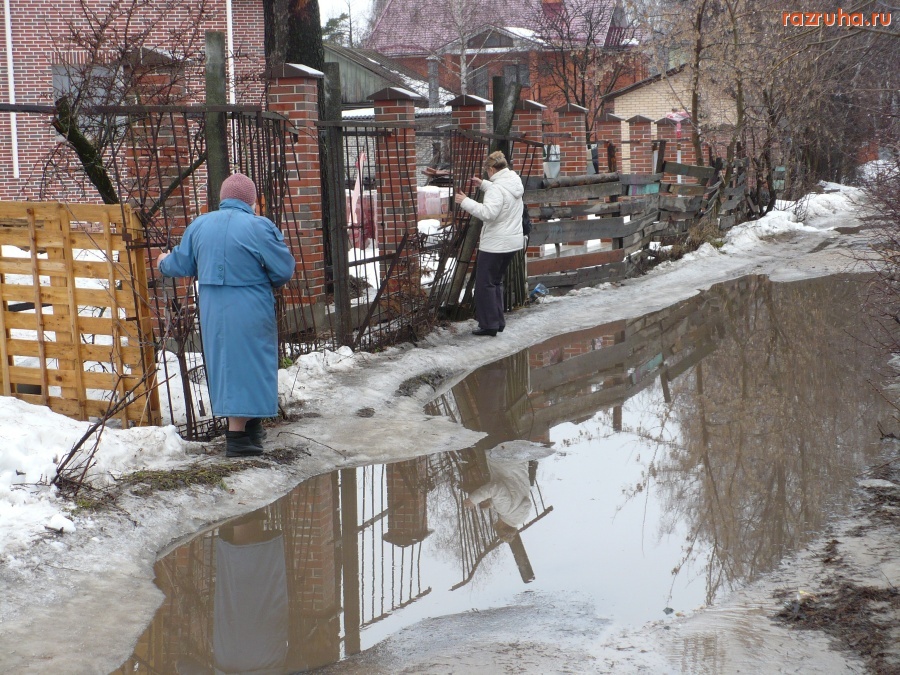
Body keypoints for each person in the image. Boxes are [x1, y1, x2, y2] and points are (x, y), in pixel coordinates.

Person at [156, 173, 296, 457]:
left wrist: (162, 261)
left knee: (227, 366)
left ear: (222, 198)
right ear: (251, 201)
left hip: (213, 308)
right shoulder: (259, 227)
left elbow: (180, 263)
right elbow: (283, 271)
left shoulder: (200, 225)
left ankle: (251, 431)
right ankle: (239, 439)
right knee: (253, 363)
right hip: (250, 305)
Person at [454, 150, 525, 337]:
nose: (486, 174)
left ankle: (489, 325)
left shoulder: (496, 188)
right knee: (495, 282)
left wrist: (465, 201)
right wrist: (484, 184)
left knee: (485, 284)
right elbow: (502, 195)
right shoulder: (513, 182)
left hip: (495, 244)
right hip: (511, 242)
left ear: (492, 169)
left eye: (487, 171)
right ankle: (497, 321)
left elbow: (488, 213)